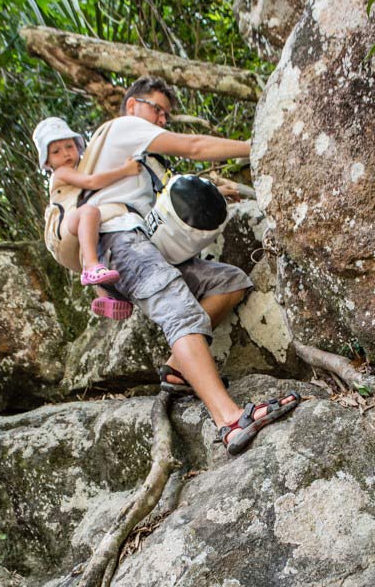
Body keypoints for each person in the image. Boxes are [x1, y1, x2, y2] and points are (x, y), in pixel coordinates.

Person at [85, 76, 301, 455]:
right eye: (157, 109)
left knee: (229, 282)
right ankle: (229, 419)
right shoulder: (122, 128)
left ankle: (178, 368)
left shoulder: (143, 163)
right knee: (179, 310)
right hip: (119, 240)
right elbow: (196, 145)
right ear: (132, 105)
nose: (162, 119)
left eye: (167, 114)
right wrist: (261, 147)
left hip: (148, 248)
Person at [32, 116, 142, 296]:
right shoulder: (62, 172)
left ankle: (105, 298)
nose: (66, 153)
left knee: (92, 234)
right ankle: (91, 267)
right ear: (47, 162)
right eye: (56, 151)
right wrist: (125, 170)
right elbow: (91, 182)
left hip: (72, 243)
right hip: (62, 232)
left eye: (69, 146)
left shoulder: (79, 168)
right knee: (89, 213)